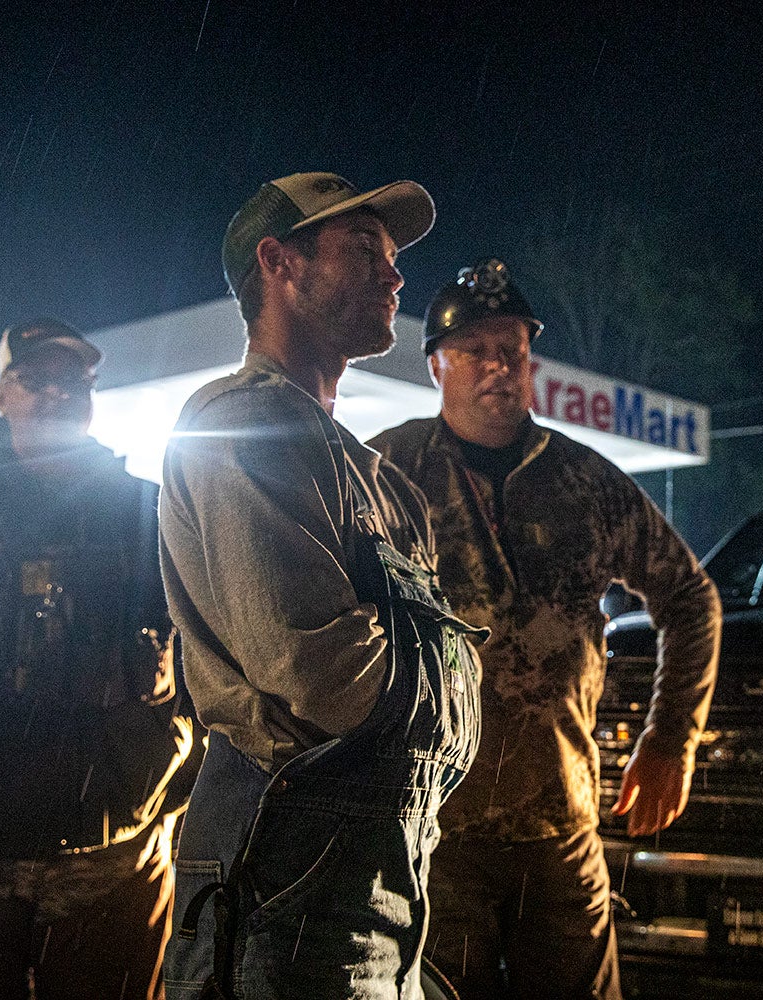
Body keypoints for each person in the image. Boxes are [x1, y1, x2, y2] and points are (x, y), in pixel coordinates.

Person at [159, 172, 484, 1000]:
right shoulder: (238, 425)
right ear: (280, 264)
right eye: (364, 251)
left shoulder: (383, 481)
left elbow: (454, 712)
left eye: (393, 255)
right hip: (280, 885)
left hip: (381, 880)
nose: (396, 274)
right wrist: (438, 689)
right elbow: (320, 672)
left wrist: (433, 693)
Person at [368, 257, 721, 1000]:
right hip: (430, 830)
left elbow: (689, 598)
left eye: (514, 351)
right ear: (437, 366)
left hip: (559, 827)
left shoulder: (584, 481)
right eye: (476, 351)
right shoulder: (388, 470)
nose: (498, 367)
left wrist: (670, 743)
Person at [0, 319, 197, 999]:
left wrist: (164, 784)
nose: (57, 393)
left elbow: (199, 661)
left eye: (74, 381)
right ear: (1, 394)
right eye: (37, 379)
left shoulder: (147, 509)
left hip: (118, 847)